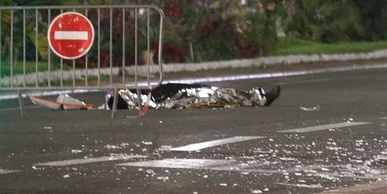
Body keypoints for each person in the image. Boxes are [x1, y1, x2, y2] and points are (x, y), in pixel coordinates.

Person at [106, 83, 280, 110]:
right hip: (177, 96)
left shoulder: (152, 95)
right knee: (217, 95)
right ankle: (258, 99)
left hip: (171, 92)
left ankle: (257, 98)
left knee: (215, 92)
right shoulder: (150, 102)